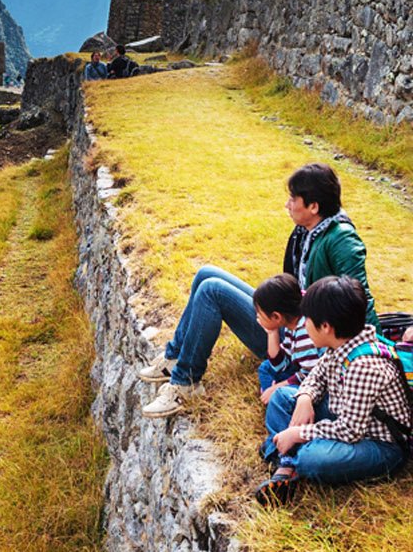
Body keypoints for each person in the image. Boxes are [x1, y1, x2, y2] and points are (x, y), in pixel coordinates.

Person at [140, 163, 377, 418]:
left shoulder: (341, 240)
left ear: (313, 207)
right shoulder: (310, 230)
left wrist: (370, 355)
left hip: (298, 339)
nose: (287, 205)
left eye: (292, 198)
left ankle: (186, 383)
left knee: (211, 291)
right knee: (206, 273)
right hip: (291, 317)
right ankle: (175, 356)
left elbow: (359, 298)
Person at [253, 276, 410, 504]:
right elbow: (316, 375)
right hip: (345, 415)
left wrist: (297, 434)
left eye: (308, 321)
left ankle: (287, 455)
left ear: (325, 326)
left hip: (380, 444)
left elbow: (350, 431)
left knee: (313, 459)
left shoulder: (364, 367)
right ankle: (287, 463)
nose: (304, 326)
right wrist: (305, 397)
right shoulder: (341, 342)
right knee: (281, 397)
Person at [252, 273, 318, 403]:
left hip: (312, 383)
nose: (257, 317)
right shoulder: (292, 323)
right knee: (265, 367)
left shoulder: (305, 334)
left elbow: (311, 376)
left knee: (281, 393)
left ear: (276, 317)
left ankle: (277, 399)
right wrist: (272, 333)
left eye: (260, 314)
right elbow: (280, 365)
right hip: (299, 368)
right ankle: (274, 395)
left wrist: (278, 386)